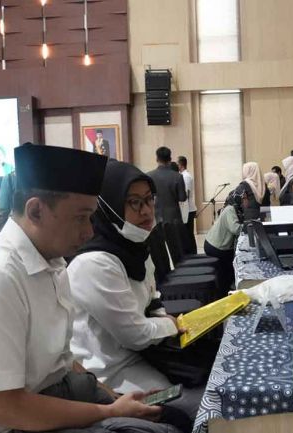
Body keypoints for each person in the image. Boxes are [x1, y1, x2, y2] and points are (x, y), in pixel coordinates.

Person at [0, 145, 179, 433]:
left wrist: (113, 397)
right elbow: (5, 408)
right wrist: (106, 411)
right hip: (4, 426)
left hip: (50, 397)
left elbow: (63, 360)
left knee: (167, 416)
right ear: (36, 211)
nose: (90, 231)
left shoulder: (53, 264)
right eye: (81, 217)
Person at [68, 160, 194, 432]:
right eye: (134, 202)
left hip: (143, 355)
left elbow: (153, 298)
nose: (147, 210)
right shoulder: (95, 263)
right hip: (108, 372)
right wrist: (170, 325)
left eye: (149, 200)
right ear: (109, 207)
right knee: (186, 410)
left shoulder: (133, 246)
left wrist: (163, 320)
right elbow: (135, 335)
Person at [203, 192, 247, 290]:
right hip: (216, 247)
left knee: (235, 262)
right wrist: (248, 227)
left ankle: (228, 287)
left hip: (219, 245)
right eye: (244, 199)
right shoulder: (230, 210)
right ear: (238, 200)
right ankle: (225, 291)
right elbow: (235, 228)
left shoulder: (235, 210)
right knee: (232, 266)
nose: (246, 201)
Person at [147, 146, 187, 224]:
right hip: (174, 218)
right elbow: (182, 198)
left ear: (157, 159)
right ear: (170, 159)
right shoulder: (178, 176)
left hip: (156, 217)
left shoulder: (149, 176)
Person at [178, 156, 197, 254]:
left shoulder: (186, 177)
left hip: (188, 209)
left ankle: (192, 253)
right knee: (187, 234)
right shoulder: (183, 176)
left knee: (188, 234)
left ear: (181, 165)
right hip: (186, 209)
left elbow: (186, 194)